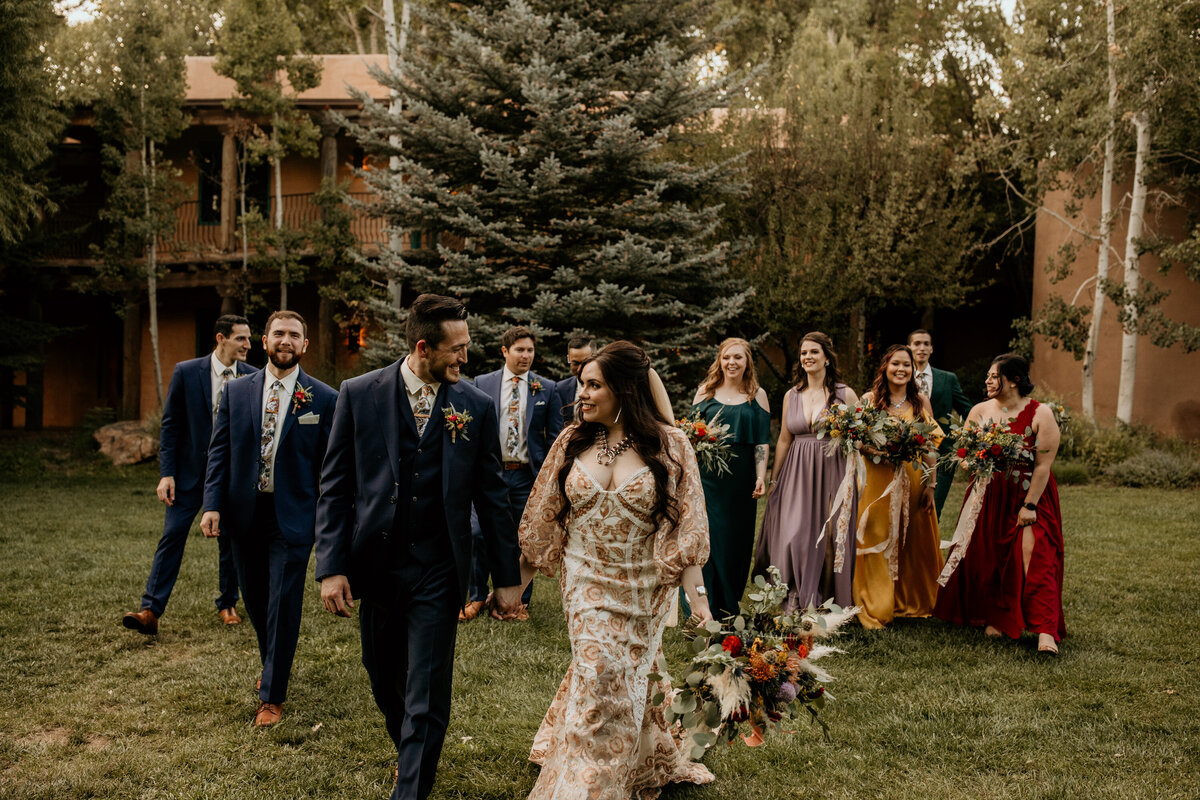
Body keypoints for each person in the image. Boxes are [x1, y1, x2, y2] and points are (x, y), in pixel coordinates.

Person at [314, 294, 524, 800]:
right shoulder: (359, 393)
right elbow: (336, 485)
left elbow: (493, 498)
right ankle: (412, 750)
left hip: (438, 568)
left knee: (426, 690)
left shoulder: (476, 405)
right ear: (423, 346)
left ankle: (409, 788)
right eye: (457, 349)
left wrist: (508, 580)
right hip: (377, 566)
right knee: (383, 677)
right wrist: (331, 567)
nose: (466, 359)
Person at [516, 341, 715, 800]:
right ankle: (588, 786)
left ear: (623, 389)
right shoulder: (572, 440)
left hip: (644, 588)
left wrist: (699, 606)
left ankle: (645, 757)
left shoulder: (672, 446)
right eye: (582, 384)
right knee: (601, 668)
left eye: (593, 385)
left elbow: (688, 532)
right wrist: (512, 589)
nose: (581, 394)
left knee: (623, 676)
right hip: (584, 578)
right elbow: (543, 518)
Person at [200, 310, 337, 727]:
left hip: (294, 517)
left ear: (304, 345)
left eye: (294, 335)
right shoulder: (238, 393)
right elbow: (219, 452)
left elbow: (331, 468)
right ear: (264, 340)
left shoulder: (324, 398)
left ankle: (272, 695)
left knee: (283, 603)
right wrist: (211, 504)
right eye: (279, 333)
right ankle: (272, 662)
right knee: (257, 600)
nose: (286, 340)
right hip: (244, 514)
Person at [121, 314, 255, 636]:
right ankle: (150, 610)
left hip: (231, 475)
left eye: (249, 339)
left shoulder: (253, 377)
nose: (248, 345)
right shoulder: (186, 371)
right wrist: (167, 473)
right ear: (221, 339)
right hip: (188, 475)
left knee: (231, 541)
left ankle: (227, 603)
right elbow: (171, 426)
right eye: (241, 338)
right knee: (172, 536)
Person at [934, 354, 1065, 654]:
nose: (988, 381)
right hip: (988, 494)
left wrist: (1029, 506)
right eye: (988, 376)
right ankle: (998, 618)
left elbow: (1043, 466)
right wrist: (979, 458)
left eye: (994, 376)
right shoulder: (979, 411)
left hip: (1029, 494)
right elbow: (963, 457)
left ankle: (1046, 630)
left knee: (1035, 555)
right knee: (992, 557)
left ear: (1014, 380)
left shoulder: (1040, 413)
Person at [463, 326, 563, 621]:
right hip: (490, 473)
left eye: (530, 350)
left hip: (525, 476)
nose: (526, 355)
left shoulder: (547, 388)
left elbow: (554, 438)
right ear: (505, 351)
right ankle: (477, 596)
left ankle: (518, 600)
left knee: (525, 539)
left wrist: (545, 477)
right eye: (520, 350)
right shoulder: (483, 383)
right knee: (477, 534)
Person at [753, 332, 859, 609]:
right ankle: (796, 594)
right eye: (803, 353)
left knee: (829, 539)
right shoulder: (793, 395)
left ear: (826, 357)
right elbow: (785, 439)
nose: (808, 357)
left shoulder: (844, 394)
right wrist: (774, 479)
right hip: (797, 471)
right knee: (795, 534)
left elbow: (859, 437)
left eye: (814, 352)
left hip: (832, 470)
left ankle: (828, 600)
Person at [853, 344, 943, 629]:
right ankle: (876, 603)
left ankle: (910, 600)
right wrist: (875, 450)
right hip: (877, 480)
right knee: (876, 535)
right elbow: (855, 440)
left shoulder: (920, 403)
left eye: (906, 365)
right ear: (885, 368)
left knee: (912, 539)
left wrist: (932, 484)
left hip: (913, 479)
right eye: (896, 364)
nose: (901, 369)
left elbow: (930, 446)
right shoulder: (870, 400)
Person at [688, 337, 770, 618]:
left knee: (736, 541)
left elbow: (761, 442)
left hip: (741, 481)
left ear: (747, 362)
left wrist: (761, 476)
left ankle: (729, 601)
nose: (732, 362)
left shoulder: (756, 395)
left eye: (738, 357)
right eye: (727, 357)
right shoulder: (705, 392)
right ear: (719, 361)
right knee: (709, 539)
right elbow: (691, 436)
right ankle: (703, 605)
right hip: (708, 481)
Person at [908, 329, 972, 518]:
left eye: (926, 344)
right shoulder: (900, 376)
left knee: (933, 511)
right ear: (909, 348)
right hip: (908, 453)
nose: (922, 348)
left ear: (932, 349)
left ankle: (931, 548)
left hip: (942, 454)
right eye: (917, 343)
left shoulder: (948, 379)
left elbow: (968, 411)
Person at [554, 335, 597, 424]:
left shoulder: (607, 387)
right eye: (575, 363)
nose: (579, 369)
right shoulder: (560, 389)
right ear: (568, 359)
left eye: (585, 363)